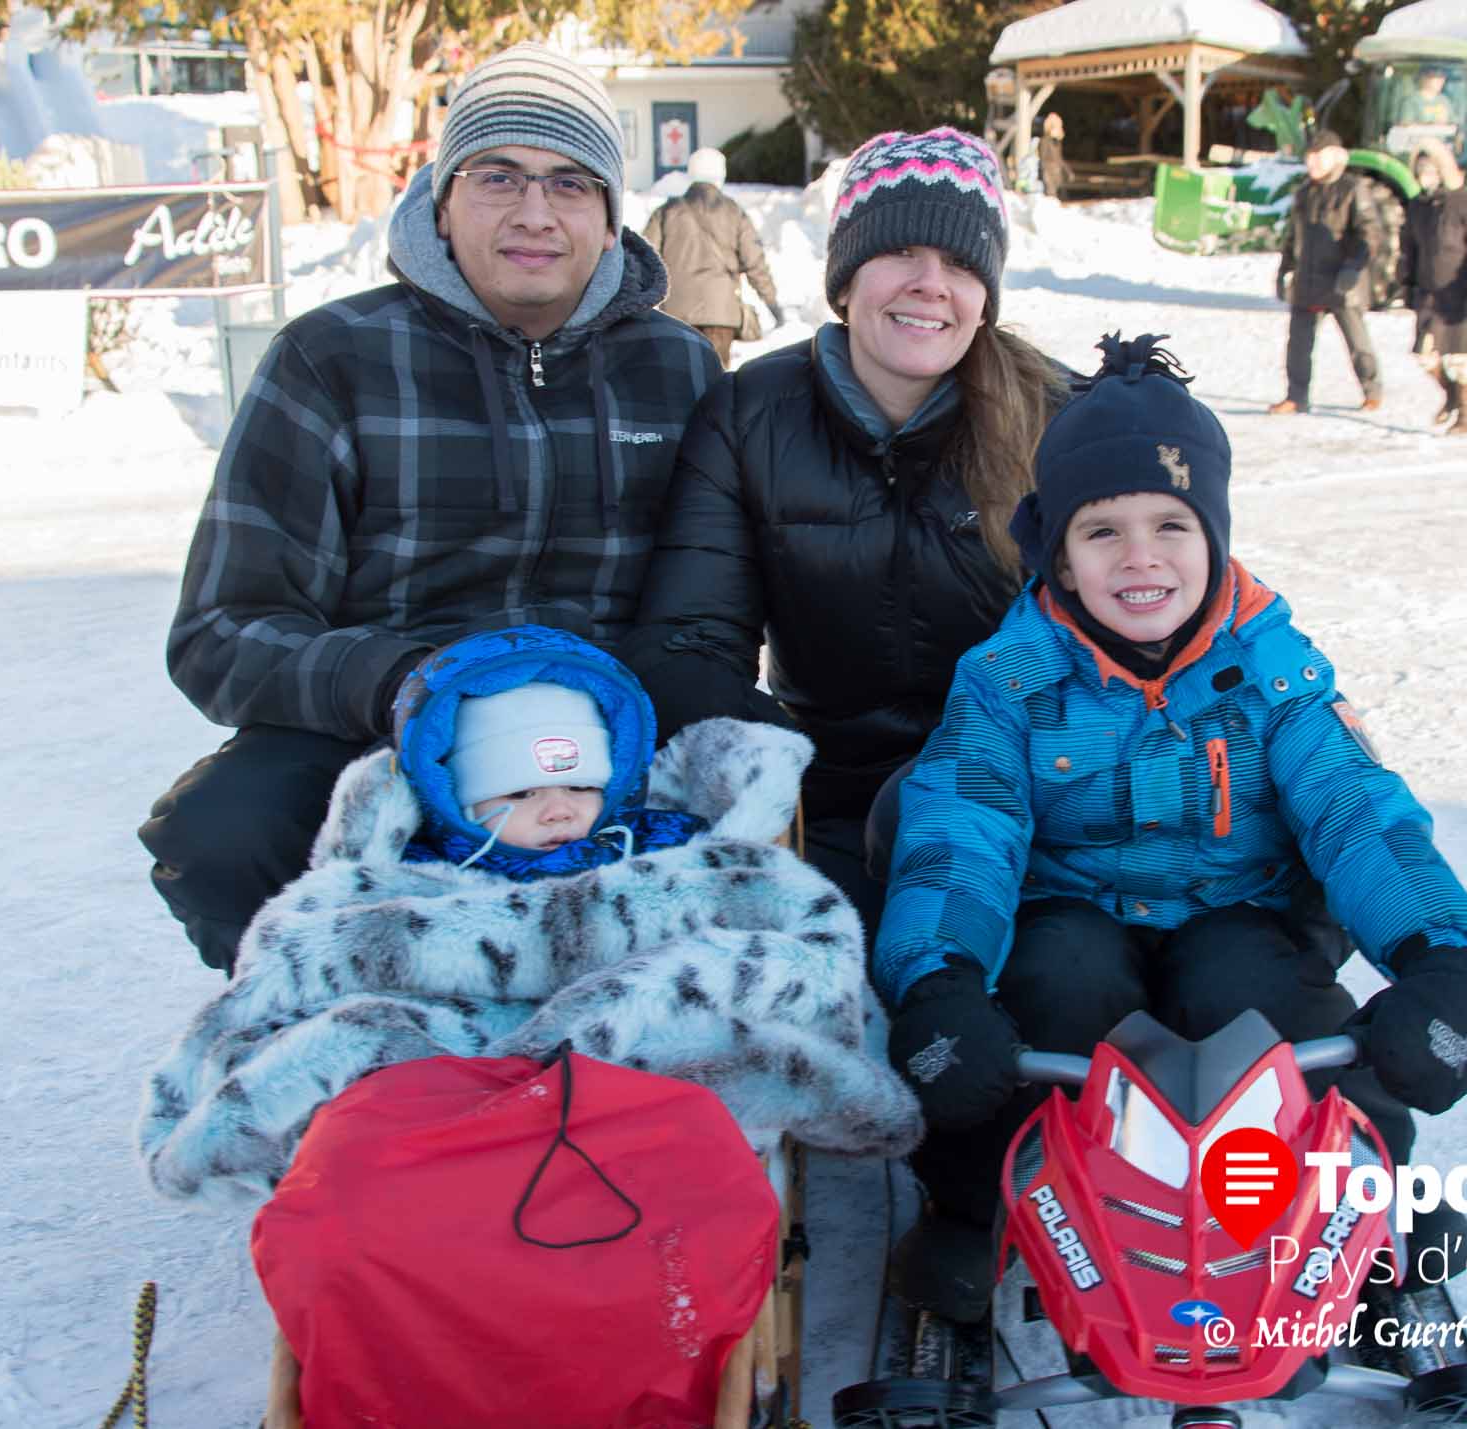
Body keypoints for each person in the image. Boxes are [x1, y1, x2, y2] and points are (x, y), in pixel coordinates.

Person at [874, 334, 1467, 1321]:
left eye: (1170, 524)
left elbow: (1355, 813)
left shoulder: (1273, 668)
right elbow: (964, 832)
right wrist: (940, 981)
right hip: (1070, 910)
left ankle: (1362, 1193)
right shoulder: (1006, 681)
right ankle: (979, 1200)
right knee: (1056, 988)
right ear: (1053, 550)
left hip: (1234, 911)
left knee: (1257, 1000)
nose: (1139, 558)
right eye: (1100, 531)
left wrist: (1440, 959)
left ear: (1212, 533)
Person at [138, 44, 720, 974]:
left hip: (609, 722)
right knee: (221, 831)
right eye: (499, 177)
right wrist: (406, 685)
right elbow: (222, 630)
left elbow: (715, 594)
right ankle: (328, 1055)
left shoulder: (678, 367)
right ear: (441, 202)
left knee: (774, 794)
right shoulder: (333, 358)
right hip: (383, 724)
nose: (535, 212)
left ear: (611, 220)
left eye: (570, 183)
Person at [138, 624, 924, 1203]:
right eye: (519, 793)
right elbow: (347, 922)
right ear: (464, 799)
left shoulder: (646, 836)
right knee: (362, 1040)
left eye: (578, 788)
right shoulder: (433, 861)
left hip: (622, 1031)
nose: (556, 812)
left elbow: (733, 894)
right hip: (470, 1031)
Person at [621, 127, 1069, 937]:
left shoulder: (1057, 421)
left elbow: (1157, 608)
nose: (932, 285)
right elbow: (689, 639)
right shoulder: (749, 414)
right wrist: (777, 754)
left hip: (1022, 802)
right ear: (847, 273)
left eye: (963, 264)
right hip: (830, 805)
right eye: (901, 251)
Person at [1270, 128, 1383, 415]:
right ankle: (1296, 396)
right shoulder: (1304, 192)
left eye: (1318, 158)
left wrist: (1353, 268)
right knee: (1298, 345)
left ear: (1334, 158)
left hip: (1342, 282)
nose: (1312, 164)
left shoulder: (1352, 188)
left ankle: (1372, 392)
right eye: (1309, 158)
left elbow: (1370, 233)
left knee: (1357, 343)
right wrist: (1285, 270)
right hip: (1308, 280)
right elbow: (1293, 239)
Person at [642, 146, 785, 365]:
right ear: (721, 174)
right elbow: (755, 262)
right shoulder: (734, 212)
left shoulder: (667, 212)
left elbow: (644, 259)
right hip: (721, 314)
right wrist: (773, 303)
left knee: (678, 384)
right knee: (716, 385)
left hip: (676, 314)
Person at [1398, 142, 1467, 435]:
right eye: (1420, 170)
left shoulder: (1466, 201)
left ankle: (1465, 417)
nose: (1425, 175)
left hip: (1460, 290)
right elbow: (1409, 247)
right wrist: (1406, 284)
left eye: (1430, 169)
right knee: (1425, 355)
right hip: (1429, 292)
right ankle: (1450, 396)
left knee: (1463, 358)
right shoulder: (1418, 206)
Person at [1038, 111, 1072, 199]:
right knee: (1051, 199)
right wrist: (1045, 176)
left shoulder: (1057, 142)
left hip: (1057, 176)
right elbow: (1043, 160)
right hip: (1049, 176)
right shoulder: (1044, 141)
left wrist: (1068, 171)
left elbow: (1059, 159)